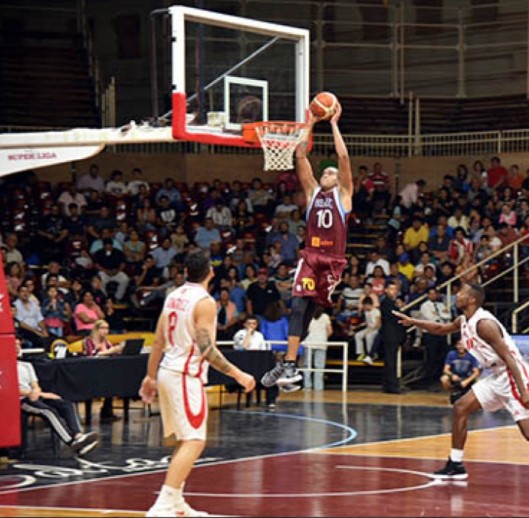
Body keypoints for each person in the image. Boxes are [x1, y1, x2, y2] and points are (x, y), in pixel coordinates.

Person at [393, 283, 529, 481]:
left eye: (462, 292)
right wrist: (414, 322)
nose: (457, 294)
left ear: (472, 299)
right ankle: (456, 464)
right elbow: (440, 328)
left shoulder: (485, 324)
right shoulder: (463, 320)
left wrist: (524, 391)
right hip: (496, 375)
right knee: (461, 407)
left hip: (512, 375)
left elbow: (510, 359)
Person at [139, 250, 255, 517]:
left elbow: (158, 340)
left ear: (185, 272)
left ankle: (176, 501)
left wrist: (150, 375)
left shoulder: (173, 295)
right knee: (194, 440)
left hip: (167, 370)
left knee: (185, 440)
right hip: (184, 375)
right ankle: (163, 504)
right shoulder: (204, 302)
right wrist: (239, 374)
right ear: (211, 272)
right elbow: (207, 350)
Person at [261, 102, 352, 392]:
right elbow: (300, 155)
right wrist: (310, 122)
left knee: (311, 311)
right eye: (324, 172)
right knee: (298, 306)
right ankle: (289, 364)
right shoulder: (313, 194)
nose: (327, 174)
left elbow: (343, 157)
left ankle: (290, 364)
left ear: (338, 180)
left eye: (331, 173)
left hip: (333, 261)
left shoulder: (344, 196)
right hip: (312, 257)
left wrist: (334, 124)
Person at [17, 339, 99, 456]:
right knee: (49, 412)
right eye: (13, 345)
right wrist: (35, 394)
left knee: (65, 404)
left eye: (18, 345)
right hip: (21, 399)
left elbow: (35, 384)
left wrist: (38, 392)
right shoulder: (5, 367)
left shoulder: (26, 365)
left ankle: (78, 436)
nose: (17, 348)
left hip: (36, 395)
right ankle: (72, 443)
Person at [84, 320, 124, 422]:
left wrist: (117, 350)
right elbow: (91, 355)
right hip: (91, 373)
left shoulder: (106, 342)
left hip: (105, 372)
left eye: (107, 328)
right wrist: (109, 351)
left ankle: (107, 410)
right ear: (96, 329)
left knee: (113, 380)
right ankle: (90, 413)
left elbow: (112, 354)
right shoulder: (88, 341)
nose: (105, 331)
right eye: (103, 328)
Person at [441, 340, 480, 405]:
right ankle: (452, 392)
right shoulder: (451, 354)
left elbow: (476, 372)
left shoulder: (472, 355)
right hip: (456, 378)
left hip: (467, 378)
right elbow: (445, 370)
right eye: (459, 344)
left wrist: (466, 381)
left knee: (479, 381)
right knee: (444, 379)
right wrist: (452, 375)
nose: (460, 347)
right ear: (456, 346)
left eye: (462, 344)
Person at [303, 306, 333, 391]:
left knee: (307, 366)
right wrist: (323, 337)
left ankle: (307, 386)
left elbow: (306, 330)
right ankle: (318, 387)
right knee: (319, 367)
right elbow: (330, 331)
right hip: (321, 343)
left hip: (308, 343)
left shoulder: (308, 315)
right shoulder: (325, 316)